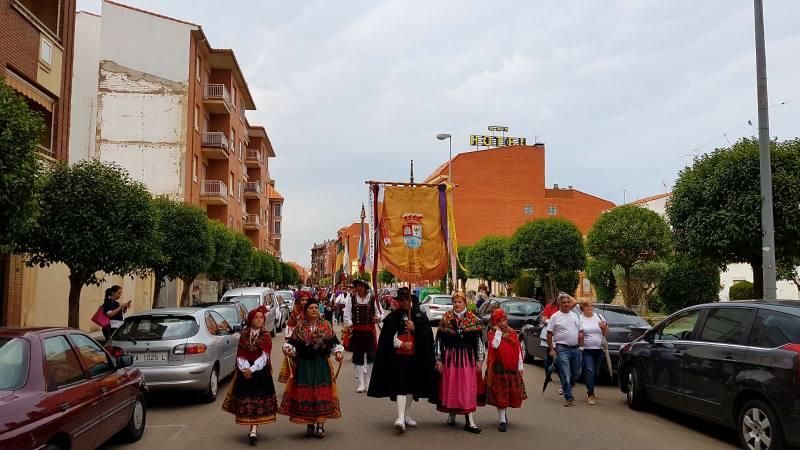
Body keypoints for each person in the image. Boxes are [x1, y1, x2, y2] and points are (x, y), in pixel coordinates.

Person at [368, 287, 436, 433]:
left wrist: (415, 327)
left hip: (415, 358)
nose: (404, 302)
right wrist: (400, 344)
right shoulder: (393, 317)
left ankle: (406, 415)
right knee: (401, 385)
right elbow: (387, 338)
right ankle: (399, 418)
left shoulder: (419, 315)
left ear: (411, 300)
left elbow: (428, 336)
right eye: (402, 300)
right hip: (398, 359)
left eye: (407, 299)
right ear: (398, 301)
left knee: (411, 386)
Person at [279, 299, 344, 438]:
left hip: (321, 364)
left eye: (316, 307)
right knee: (307, 394)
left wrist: (338, 353)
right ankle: (309, 423)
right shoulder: (300, 327)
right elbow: (292, 344)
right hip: (304, 365)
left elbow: (334, 343)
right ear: (306, 311)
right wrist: (288, 350)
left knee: (321, 393)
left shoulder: (326, 325)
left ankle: (320, 425)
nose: (314, 310)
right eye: (311, 308)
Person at [222, 306, 278, 446]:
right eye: (256, 318)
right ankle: (251, 427)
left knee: (259, 400)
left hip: (260, 372)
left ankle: (253, 430)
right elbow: (240, 354)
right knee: (248, 400)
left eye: (261, 318)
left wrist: (252, 370)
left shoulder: (265, 335)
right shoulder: (244, 334)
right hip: (245, 372)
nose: (259, 320)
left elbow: (265, 357)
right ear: (250, 320)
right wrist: (244, 369)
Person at [431, 291, 485, 433]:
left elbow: (479, 342)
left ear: (465, 303)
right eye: (454, 302)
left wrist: (480, 360)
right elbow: (439, 341)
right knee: (452, 386)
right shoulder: (447, 318)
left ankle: (470, 421)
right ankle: (452, 414)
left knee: (467, 387)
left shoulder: (473, 319)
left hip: (467, 358)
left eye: (459, 302)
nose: (457, 304)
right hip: (450, 357)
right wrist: (438, 360)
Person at [485, 309, 527, 432]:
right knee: (500, 393)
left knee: (508, 393)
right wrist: (498, 332)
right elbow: (495, 346)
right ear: (494, 322)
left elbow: (518, 350)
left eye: (504, 320)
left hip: (511, 368)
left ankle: (504, 414)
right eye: (499, 321)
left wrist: (520, 366)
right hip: (498, 368)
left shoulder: (512, 333)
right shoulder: (492, 333)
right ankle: (502, 419)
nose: (503, 324)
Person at [343, 278, 382, 393]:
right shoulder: (351, 299)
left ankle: (368, 381)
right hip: (357, 331)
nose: (358, 288)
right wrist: (350, 324)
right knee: (358, 357)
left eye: (361, 286)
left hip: (370, 332)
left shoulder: (374, 299)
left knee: (371, 356)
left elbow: (381, 312)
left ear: (366, 288)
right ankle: (361, 383)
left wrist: (378, 318)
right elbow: (347, 314)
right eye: (357, 286)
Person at [547, 294, 585, 407]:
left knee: (577, 373)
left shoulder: (574, 316)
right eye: (564, 302)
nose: (567, 304)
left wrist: (581, 347)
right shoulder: (555, 317)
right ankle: (569, 396)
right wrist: (552, 349)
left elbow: (581, 332)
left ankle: (565, 387)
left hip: (575, 349)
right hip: (562, 349)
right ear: (559, 304)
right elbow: (549, 334)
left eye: (568, 302)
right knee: (566, 374)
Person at [580, 300, 608, 405]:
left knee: (596, 372)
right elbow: (577, 333)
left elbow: (606, 333)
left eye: (591, 306)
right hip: (586, 349)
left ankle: (591, 387)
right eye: (587, 306)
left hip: (598, 349)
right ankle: (590, 393)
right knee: (590, 371)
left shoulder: (599, 316)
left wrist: (603, 328)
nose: (590, 308)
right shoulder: (579, 318)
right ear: (582, 308)